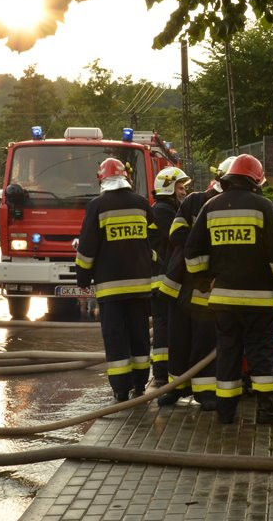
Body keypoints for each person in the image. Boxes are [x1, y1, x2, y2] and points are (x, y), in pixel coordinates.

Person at [184, 154, 273, 424]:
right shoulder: (263, 207)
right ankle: (268, 410)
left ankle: (225, 412)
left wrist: (202, 281)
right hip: (260, 301)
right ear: (256, 180)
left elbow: (192, 252)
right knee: (261, 354)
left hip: (223, 300)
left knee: (228, 353)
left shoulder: (211, 207)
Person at [156, 156, 236, 409]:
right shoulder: (194, 201)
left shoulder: (234, 206)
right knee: (178, 338)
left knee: (205, 339)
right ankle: (175, 388)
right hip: (180, 283)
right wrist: (202, 243)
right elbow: (176, 233)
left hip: (206, 287)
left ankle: (205, 393)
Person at [75, 158, 155, 402]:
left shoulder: (97, 206)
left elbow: (87, 248)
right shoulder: (142, 204)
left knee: (116, 337)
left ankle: (121, 390)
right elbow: (153, 239)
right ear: (126, 178)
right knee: (140, 335)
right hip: (141, 286)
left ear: (102, 179)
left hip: (111, 289)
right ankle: (141, 384)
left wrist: (83, 279)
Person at [148, 166, 191, 388]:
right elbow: (178, 237)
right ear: (168, 187)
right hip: (162, 280)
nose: (183, 192)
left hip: (166, 279)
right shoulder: (163, 210)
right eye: (180, 187)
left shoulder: (168, 207)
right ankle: (162, 374)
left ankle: (164, 372)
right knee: (164, 327)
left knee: (167, 325)